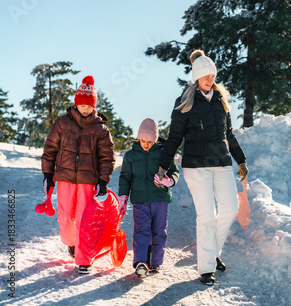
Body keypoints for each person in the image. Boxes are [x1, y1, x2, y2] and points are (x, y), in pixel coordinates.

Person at [156, 49, 249, 286]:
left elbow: (229, 134)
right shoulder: (185, 102)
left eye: (213, 75)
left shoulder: (221, 100)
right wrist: (163, 165)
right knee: (206, 214)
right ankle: (207, 267)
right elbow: (174, 137)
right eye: (206, 75)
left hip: (221, 162)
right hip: (196, 166)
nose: (210, 79)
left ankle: (213, 252)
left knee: (230, 208)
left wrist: (241, 159)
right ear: (197, 76)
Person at [41, 75, 115, 275]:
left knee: (84, 218)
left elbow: (107, 157)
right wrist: (48, 174)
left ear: (93, 106)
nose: (85, 108)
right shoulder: (62, 123)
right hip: (64, 178)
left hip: (87, 181)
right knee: (65, 217)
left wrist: (102, 179)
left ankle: (84, 258)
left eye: (89, 104)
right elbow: (50, 149)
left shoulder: (100, 129)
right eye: (82, 104)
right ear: (76, 103)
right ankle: (72, 242)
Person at [118, 118, 179, 278]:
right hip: (140, 199)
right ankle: (141, 262)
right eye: (143, 140)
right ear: (138, 138)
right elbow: (125, 177)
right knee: (141, 230)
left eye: (150, 141)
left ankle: (155, 262)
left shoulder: (164, 153)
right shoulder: (131, 156)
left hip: (160, 198)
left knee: (159, 231)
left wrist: (169, 181)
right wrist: (123, 197)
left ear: (156, 139)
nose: (146, 144)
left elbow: (174, 170)